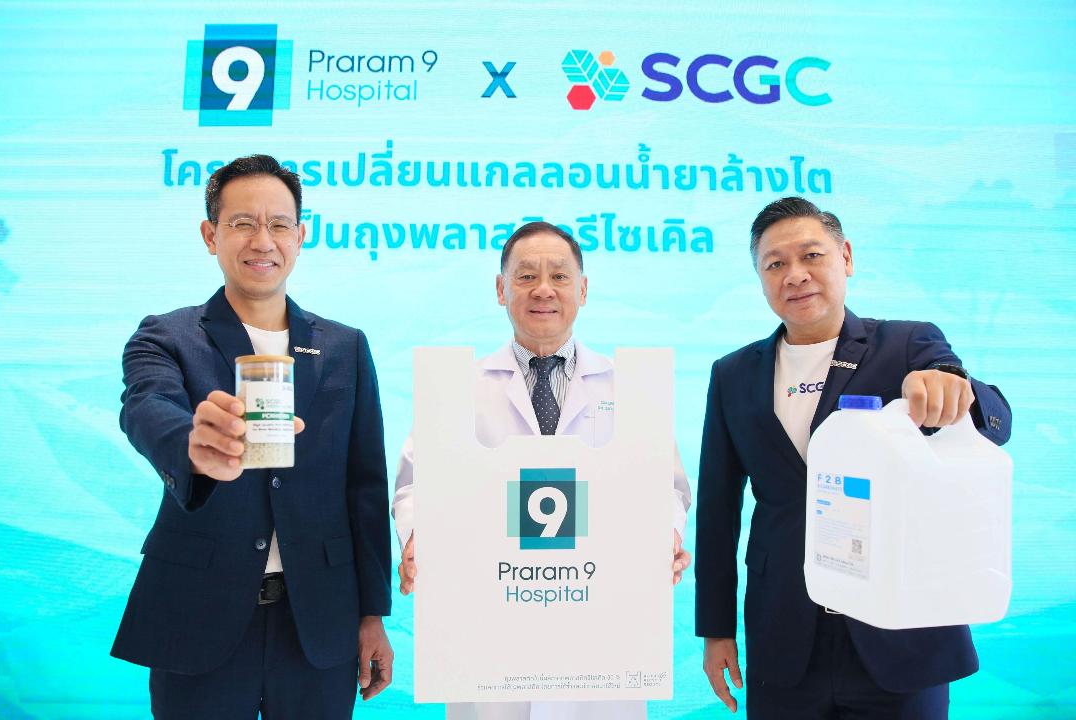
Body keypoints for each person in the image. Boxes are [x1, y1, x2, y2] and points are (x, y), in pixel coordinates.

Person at [694, 197, 1012, 719]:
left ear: (846, 257)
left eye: (811, 255)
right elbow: (717, 511)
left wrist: (956, 388)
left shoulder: (907, 344)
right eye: (775, 264)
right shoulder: (732, 374)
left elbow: (995, 420)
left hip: (901, 630)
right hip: (785, 632)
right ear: (760, 279)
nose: (795, 275)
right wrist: (716, 630)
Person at [111, 154, 394, 719]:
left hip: (318, 621)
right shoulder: (167, 336)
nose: (263, 240)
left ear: (300, 237)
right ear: (210, 235)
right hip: (198, 614)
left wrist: (372, 614)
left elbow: (365, 487)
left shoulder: (344, 347)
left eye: (279, 224)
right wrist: (195, 444)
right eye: (242, 223)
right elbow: (146, 407)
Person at [392, 221, 692, 720]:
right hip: (489, 631)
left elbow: (667, 487)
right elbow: (414, 485)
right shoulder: (457, 388)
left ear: (584, 289)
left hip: (601, 631)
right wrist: (418, 536)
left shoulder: (629, 387)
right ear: (500, 289)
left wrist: (665, 535)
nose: (544, 289)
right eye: (527, 276)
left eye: (560, 276)